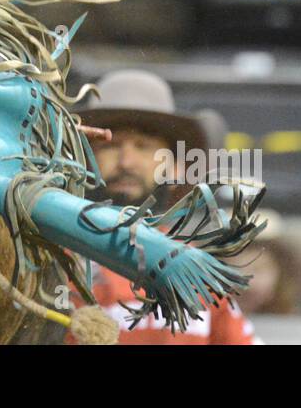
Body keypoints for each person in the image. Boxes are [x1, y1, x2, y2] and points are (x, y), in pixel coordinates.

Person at [69, 70, 258, 344]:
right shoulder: (49, 263)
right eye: (111, 145)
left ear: (176, 169)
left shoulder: (200, 273)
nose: (127, 162)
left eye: (143, 147)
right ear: (83, 162)